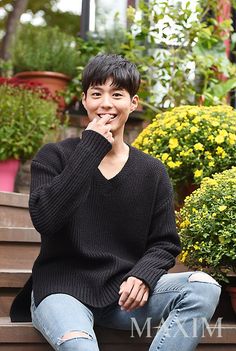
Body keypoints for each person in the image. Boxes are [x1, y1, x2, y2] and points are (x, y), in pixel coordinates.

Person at [10, 54, 221, 351]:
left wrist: (144, 276)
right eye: (97, 94)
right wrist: (91, 149)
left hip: (124, 296)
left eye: (117, 94)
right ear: (84, 100)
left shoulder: (152, 172)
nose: (106, 104)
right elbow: (46, 218)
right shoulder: (53, 157)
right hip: (61, 291)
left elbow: (165, 243)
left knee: (203, 288)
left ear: (133, 103)